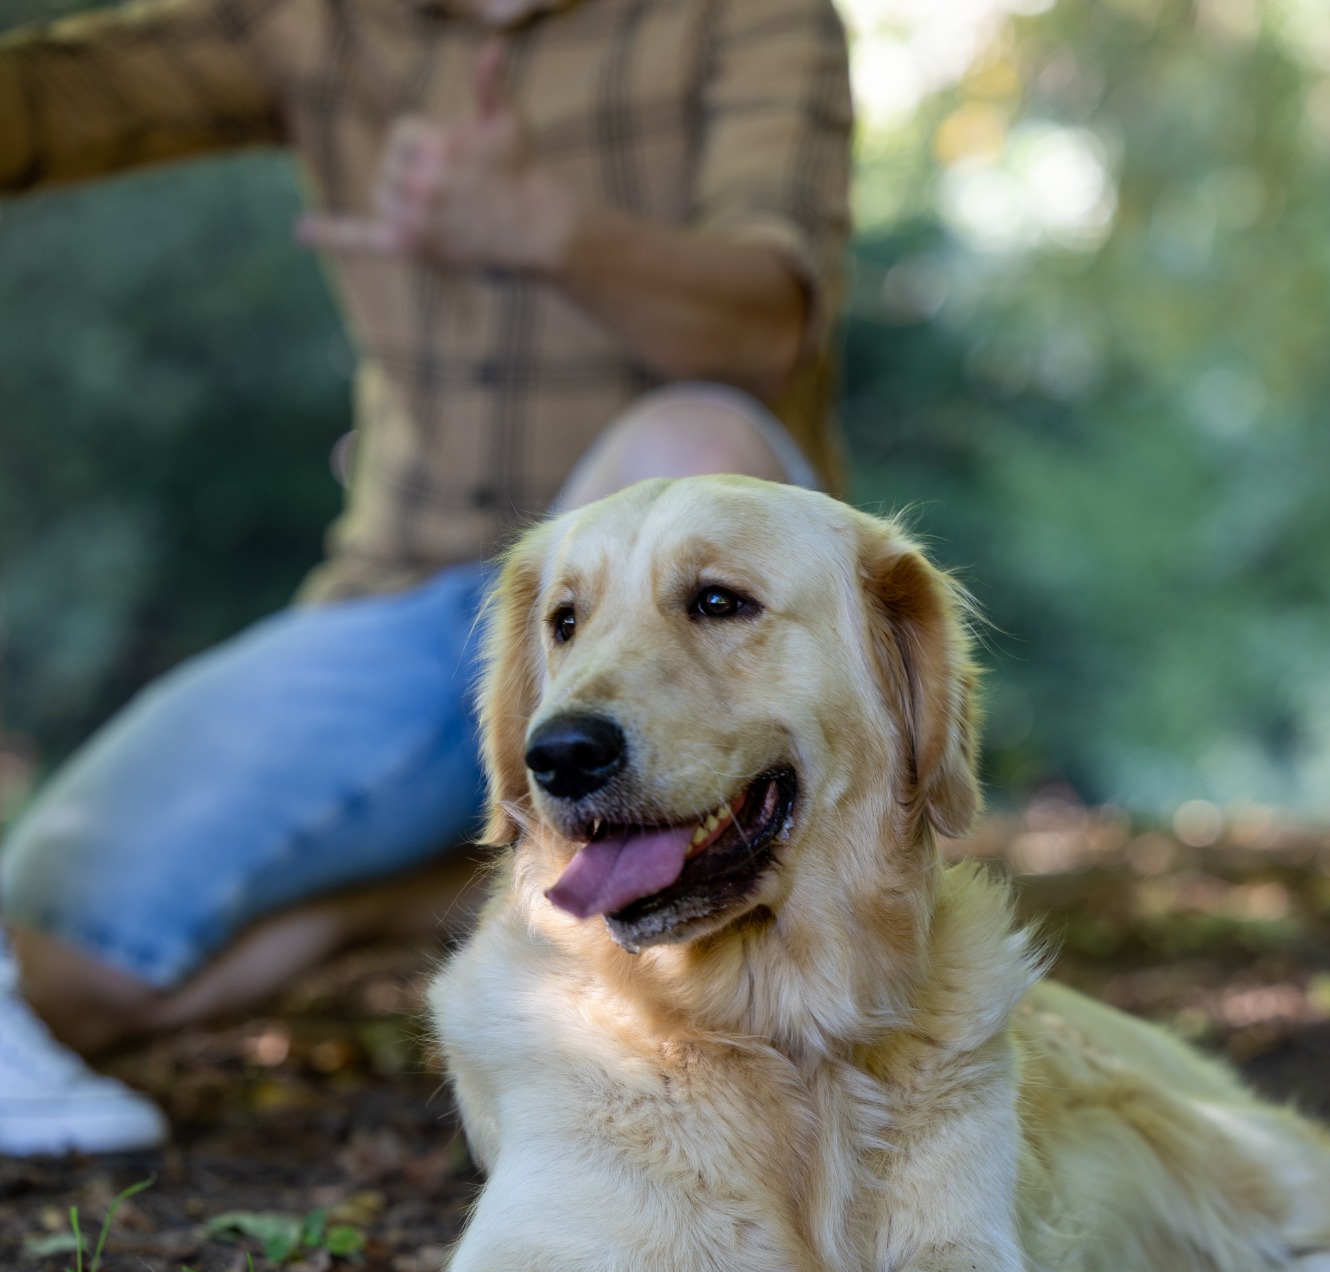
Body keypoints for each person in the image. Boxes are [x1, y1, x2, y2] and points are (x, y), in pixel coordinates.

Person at [0, 0, 852, 1153]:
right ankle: (436, 887)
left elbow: (765, 330)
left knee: (692, 443)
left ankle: (660, 1047)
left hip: (645, 580)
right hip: (411, 598)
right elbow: (50, 101)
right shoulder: (316, 19)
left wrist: (546, 228)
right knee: (58, 967)